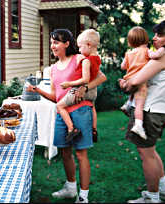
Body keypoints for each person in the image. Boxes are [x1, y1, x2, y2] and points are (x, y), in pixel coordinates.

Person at [27, 29, 107, 203]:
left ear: (67, 44)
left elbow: (101, 77)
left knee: (81, 154)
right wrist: (37, 90)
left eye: (56, 42)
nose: (53, 46)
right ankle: (70, 188)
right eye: (52, 42)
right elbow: (56, 97)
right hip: (62, 114)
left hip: (80, 110)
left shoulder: (79, 59)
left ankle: (83, 196)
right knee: (64, 152)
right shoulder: (53, 69)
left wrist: (85, 88)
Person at [119, 20, 165, 203]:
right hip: (161, 111)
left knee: (146, 155)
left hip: (149, 111)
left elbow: (134, 81)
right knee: (151, 151)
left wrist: (125, 84)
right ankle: (163, 190)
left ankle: (153, 197)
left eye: (159, 35)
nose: (154, 38)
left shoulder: (163, 58)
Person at [120, 27, 165, 140]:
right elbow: (155, 56)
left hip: (129, 80)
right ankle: (138, 125)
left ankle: (128, 103)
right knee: (139, 106)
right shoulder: (146, 50)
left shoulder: (129, 53)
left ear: (130, 41)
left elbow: (123, 66)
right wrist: (162, 50)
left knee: (134, 94)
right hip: (140, 81)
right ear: (145, 38)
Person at [56, 29, 101, 143]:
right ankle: (94, 129)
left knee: (60, 106)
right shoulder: (97, 59)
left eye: (80, 47)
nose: (79, 50)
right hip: (92, 90)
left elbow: (85, 79)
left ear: (89, 45)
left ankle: (72, 129)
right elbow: (95, 76)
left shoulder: (86, 60)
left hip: (80, 89)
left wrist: (69, 84)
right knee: (92, 106)